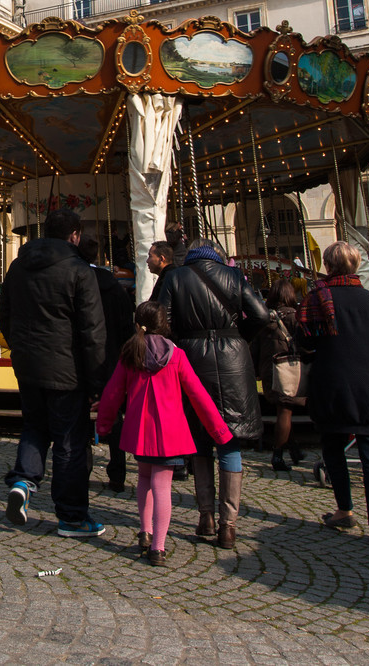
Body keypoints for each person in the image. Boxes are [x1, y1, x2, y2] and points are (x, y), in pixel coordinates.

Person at [148, 237, 271, 549]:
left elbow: (164, 322)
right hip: (233, 359)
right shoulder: (233, 275)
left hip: (192, 358)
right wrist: (237, 338)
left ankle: (205, 516)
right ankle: (228, 525)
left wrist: (185, 340)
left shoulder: (176, 277)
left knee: (200, 439)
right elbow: (261, 314)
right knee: (229, 439)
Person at [96, 300, 233, 565]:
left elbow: (112, 393)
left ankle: (145, 532)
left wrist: (103, 425)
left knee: (144, 481)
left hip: (140, 431)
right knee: (162, 488)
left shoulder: (130, 352)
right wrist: (220, 432)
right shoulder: (177, 355)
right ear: (164, 325)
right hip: (170, 433)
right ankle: (158, 547)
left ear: (138, 324)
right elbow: (199, 396)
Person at [0, 208, 109, 538]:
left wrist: (20, 349)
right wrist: (97, 382)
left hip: (28, 366)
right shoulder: (79, 270)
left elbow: (4, 315)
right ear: (74, 235)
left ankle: (23, 481)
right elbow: (93, 332)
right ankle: (72, 517)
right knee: (69, 442)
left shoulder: (18, 266)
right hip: (67, 371)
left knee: (34, 426)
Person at [298, 241, 369, 545]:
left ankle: (344, 509)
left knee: (334, 451)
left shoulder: (317, 298)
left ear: (328, 266)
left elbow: (304, 345)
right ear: (355, 266)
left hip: (333, 383)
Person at [78, 234, 136, 493]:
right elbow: (126, 325)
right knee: (115, 415)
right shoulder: (113, 286)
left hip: (81, 357)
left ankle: (82, 467)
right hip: (112, 357)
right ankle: (117, 472)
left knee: (79, 412)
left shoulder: (76, 283)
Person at [253, 277, 308, 471]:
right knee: (285, 410)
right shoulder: (295, 317)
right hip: (288, 368)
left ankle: (293, 448)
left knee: (283, 409)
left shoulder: (264, 319)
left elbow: (256, 347)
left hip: (269, 369)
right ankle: (278, 455)